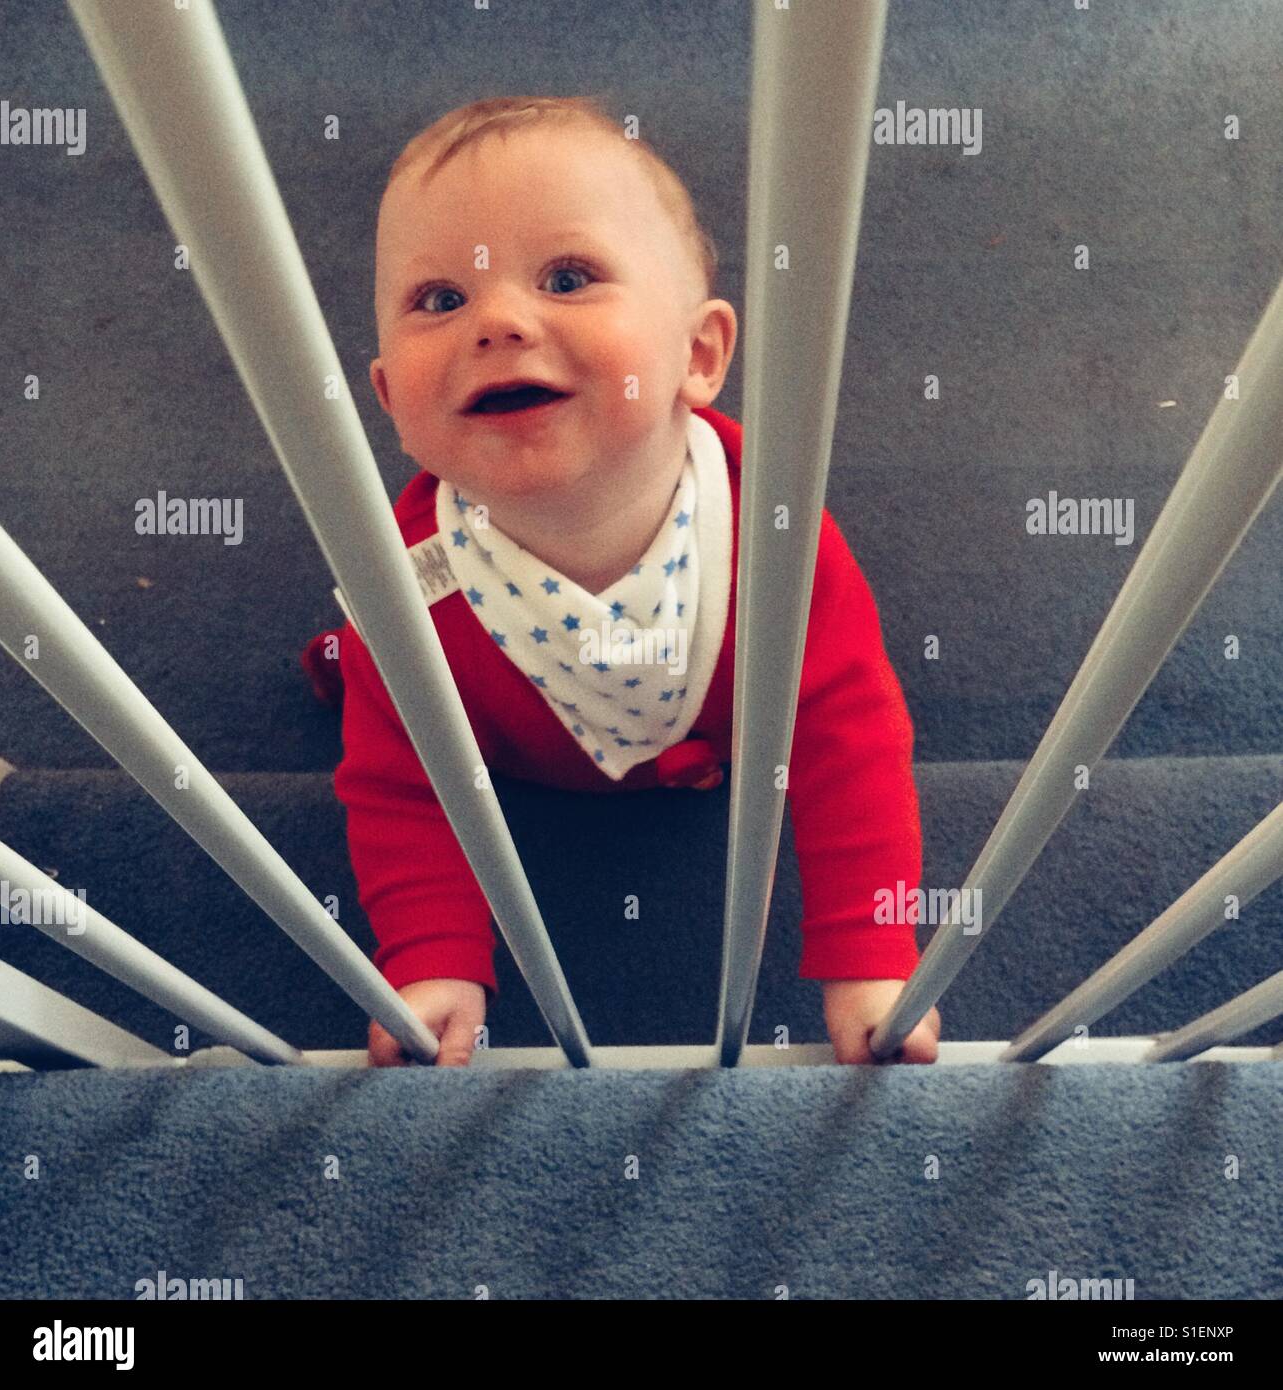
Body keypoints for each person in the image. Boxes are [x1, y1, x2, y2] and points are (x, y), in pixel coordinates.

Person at [302, 95, 942, 1068]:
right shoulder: (406, 589)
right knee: (379, 693)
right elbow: (406, 782)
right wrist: (431, 956)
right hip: (520, 757)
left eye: (567, 278)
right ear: (392, 401)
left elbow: (845, 734)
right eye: (440, 300)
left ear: (697, 355)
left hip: (710, 732)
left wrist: (869, 951)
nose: (500, 321)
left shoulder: (776, 541)